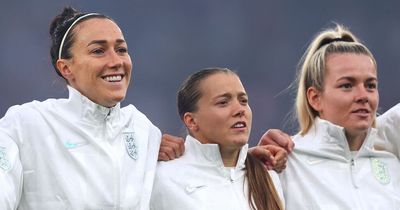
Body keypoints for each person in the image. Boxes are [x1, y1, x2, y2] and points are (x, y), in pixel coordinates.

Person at [0, 6, 184, 209]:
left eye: (121, 50)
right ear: (66, 68)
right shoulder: (26, 125)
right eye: (98, 51)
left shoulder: (144, 132)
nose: (116, 61)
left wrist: (181, 160)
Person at [262, 25, 400, 209]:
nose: (363, 95)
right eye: (346, 85)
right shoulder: (285, 165)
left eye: (370, 85)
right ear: (315, 98)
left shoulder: (391, 163)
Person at [150, 68, 284, 210]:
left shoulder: (268, 177)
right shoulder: (161, 178)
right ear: (191, 121)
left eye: (243, 101)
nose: (240, 109)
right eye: (223, 102)